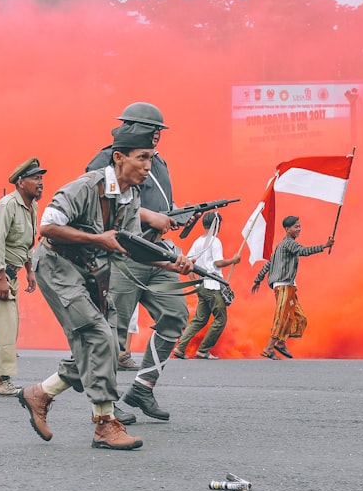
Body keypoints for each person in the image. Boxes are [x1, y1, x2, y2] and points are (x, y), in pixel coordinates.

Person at [17, 124, 193, 449]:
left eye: (151, 159)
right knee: (98, 337)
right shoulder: (85, 187)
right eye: (142, 158)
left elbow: (130, 246)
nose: (147, 166)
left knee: (108, 343)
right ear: (118, 157)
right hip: (57, 266)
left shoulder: (131, 196)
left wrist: (172, 262)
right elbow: (48, 227)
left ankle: (40, 394)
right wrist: (98, 239)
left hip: (90, 268)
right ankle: (104, 425)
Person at [88, 102, 190, 422]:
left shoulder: (159, 163)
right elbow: (101, 197)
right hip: (122, 254)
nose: (156, 136)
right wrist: (150, 216)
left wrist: (177, 215)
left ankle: (143, 387)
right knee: (112, 331)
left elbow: (163, 203)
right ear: (131, 127)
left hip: (157, 252)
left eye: (158, 131)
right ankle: (105, 403)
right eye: (151, 129)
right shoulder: (108, 158)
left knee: (175, 316)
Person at [0, 158, 45, 396]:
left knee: (8, 324)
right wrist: (0, 277)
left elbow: (26, 243)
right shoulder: (7, 205)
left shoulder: (31, 206)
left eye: (41, 178)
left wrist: (30, 270)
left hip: (10, 268)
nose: (40, 183)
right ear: (21, 182)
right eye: (35, 178)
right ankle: (1, 381)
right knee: (6, 323)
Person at [251, 216, 334, 359]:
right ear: (287, 229)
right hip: (283, 285)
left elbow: (269, 264)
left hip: (289, 286)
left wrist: (258, 280)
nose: (299, 229)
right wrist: (324, 246)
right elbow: (303, 251)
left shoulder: (281, 246)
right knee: (282, 317)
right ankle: (269, 348)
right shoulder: (288, 244)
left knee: (299, 318)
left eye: (299, 226)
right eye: (296, 227)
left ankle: (281, 342)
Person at [172, 212, 241, 359]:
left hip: (202, 285)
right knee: (220, 319)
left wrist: (195, 283)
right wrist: (233, 260)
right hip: (213, 285)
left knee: (199, 319)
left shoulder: (198, 241)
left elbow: (188, 261)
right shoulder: (215, 241)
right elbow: (217, 263)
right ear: (216, 225)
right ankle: (203, 350)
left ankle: (180, 348)